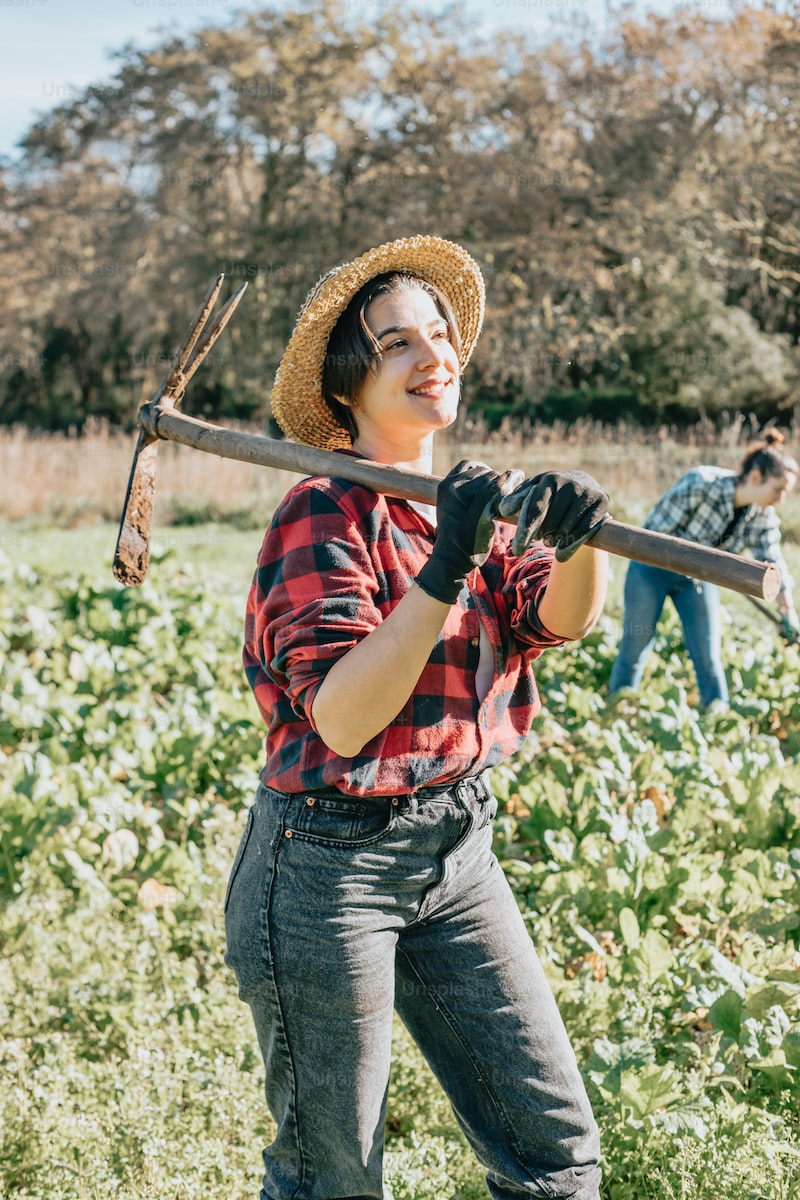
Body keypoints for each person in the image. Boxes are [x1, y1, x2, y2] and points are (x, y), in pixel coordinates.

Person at [224, 234, 610, 1199]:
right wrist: (445, 568)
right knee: (334, 1178)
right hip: (327, 871)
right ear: (351, 383)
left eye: (440, 334)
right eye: (399, 343)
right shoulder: (321, 513)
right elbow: (346, 717)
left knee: (555, 1158)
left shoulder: (477, 504)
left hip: (457, 850)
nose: (434, 353)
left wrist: (582, 539)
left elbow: (554, 618)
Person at [608, 429, 799, 708]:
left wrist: (788, 612)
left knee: (708, 653)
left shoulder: (762, 515)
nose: (782, 498)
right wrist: (698, 553)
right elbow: (652, 534)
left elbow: (773, 562)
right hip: (650, 572)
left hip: (695, 580)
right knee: (636, 643)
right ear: (757, 477)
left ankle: (718, 719)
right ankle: (618, 707)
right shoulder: (701, 483)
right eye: (779, 489)